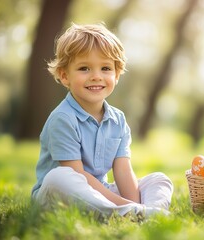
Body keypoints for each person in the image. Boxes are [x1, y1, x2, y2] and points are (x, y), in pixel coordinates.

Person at [31, 23, 173, 219]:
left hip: (99, 193)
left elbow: (123, 170)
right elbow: (78, 175)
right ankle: (128, 213)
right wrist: (127, 205)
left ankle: (146, 213)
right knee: (58, 177)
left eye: (105, 68)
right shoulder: (63, 119)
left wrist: (134, 202)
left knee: (159, 180)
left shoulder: (118, 120)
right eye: (84, 68)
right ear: (65, 76)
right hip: (60, 195)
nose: (96, 76)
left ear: (117, 74)